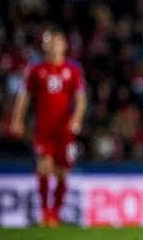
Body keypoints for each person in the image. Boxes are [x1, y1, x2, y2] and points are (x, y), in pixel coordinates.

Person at [10, 27, 87, 227]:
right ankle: (45, 213)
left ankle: (56, 212)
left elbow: (80, 98)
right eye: (48, 43)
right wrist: (17, 120)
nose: (51, 47)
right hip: (43, 128)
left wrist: (77, 118)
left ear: (64, 45)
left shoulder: (73, 69)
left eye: (55, 43)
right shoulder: (35, 69)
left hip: (64, 129)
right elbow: (24, 96)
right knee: (44, 167)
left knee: (62, 172)